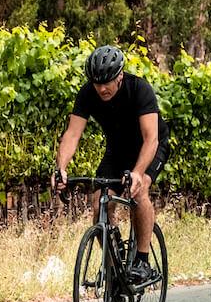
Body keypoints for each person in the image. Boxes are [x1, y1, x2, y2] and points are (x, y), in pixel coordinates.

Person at [53, 45, 169, 287]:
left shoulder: (139, 90)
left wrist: (138, 173)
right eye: (97, 83)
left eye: (107, 82)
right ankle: (113, 269)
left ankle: (142, 260)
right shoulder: (88, 93)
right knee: (99, 204)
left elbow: (151, 138)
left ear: (120, 76)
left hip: (150, 147)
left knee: (140, 190)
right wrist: (61, 168)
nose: (102, 88)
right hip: (117, 150)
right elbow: (72, 135)